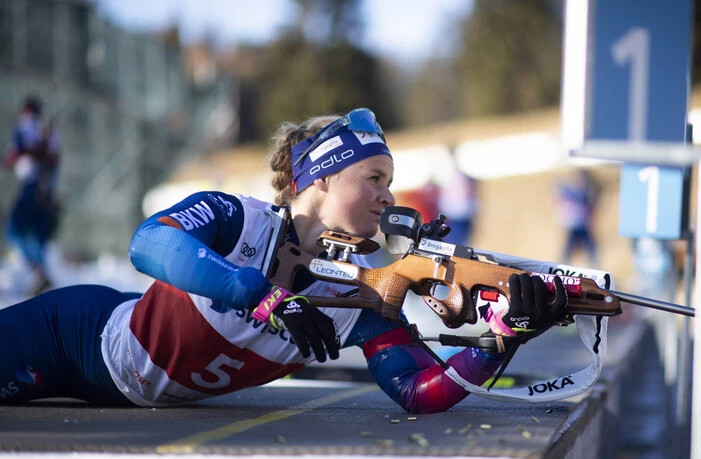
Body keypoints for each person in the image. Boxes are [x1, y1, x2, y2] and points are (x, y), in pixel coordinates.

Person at [0, 108, 566, 412]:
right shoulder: (237, 218)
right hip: (76, 338)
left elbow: (421, 393)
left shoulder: (366, 293)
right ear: (321, 176)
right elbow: (148, 243)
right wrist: (267, 298)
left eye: (389, 183)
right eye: (374, 178)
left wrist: (499, 340)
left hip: (131, 395)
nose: (388, 197)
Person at [3, 96, 61, 293]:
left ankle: (39, 272)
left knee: (17, 228)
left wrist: (33, 151)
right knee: (25, 232)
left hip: (37, 188)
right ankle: (39, 273)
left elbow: (49, 158)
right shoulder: (28, 132)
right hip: (31, 186)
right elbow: (14, 156)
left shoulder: (43, 132)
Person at [556, 169, 599, 266]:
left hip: (584, 227)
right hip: (573, 227)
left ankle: (595, 268)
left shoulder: (586, 193)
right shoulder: (571, 192)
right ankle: (559, 269)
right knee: (567, 252)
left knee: (592, 251)